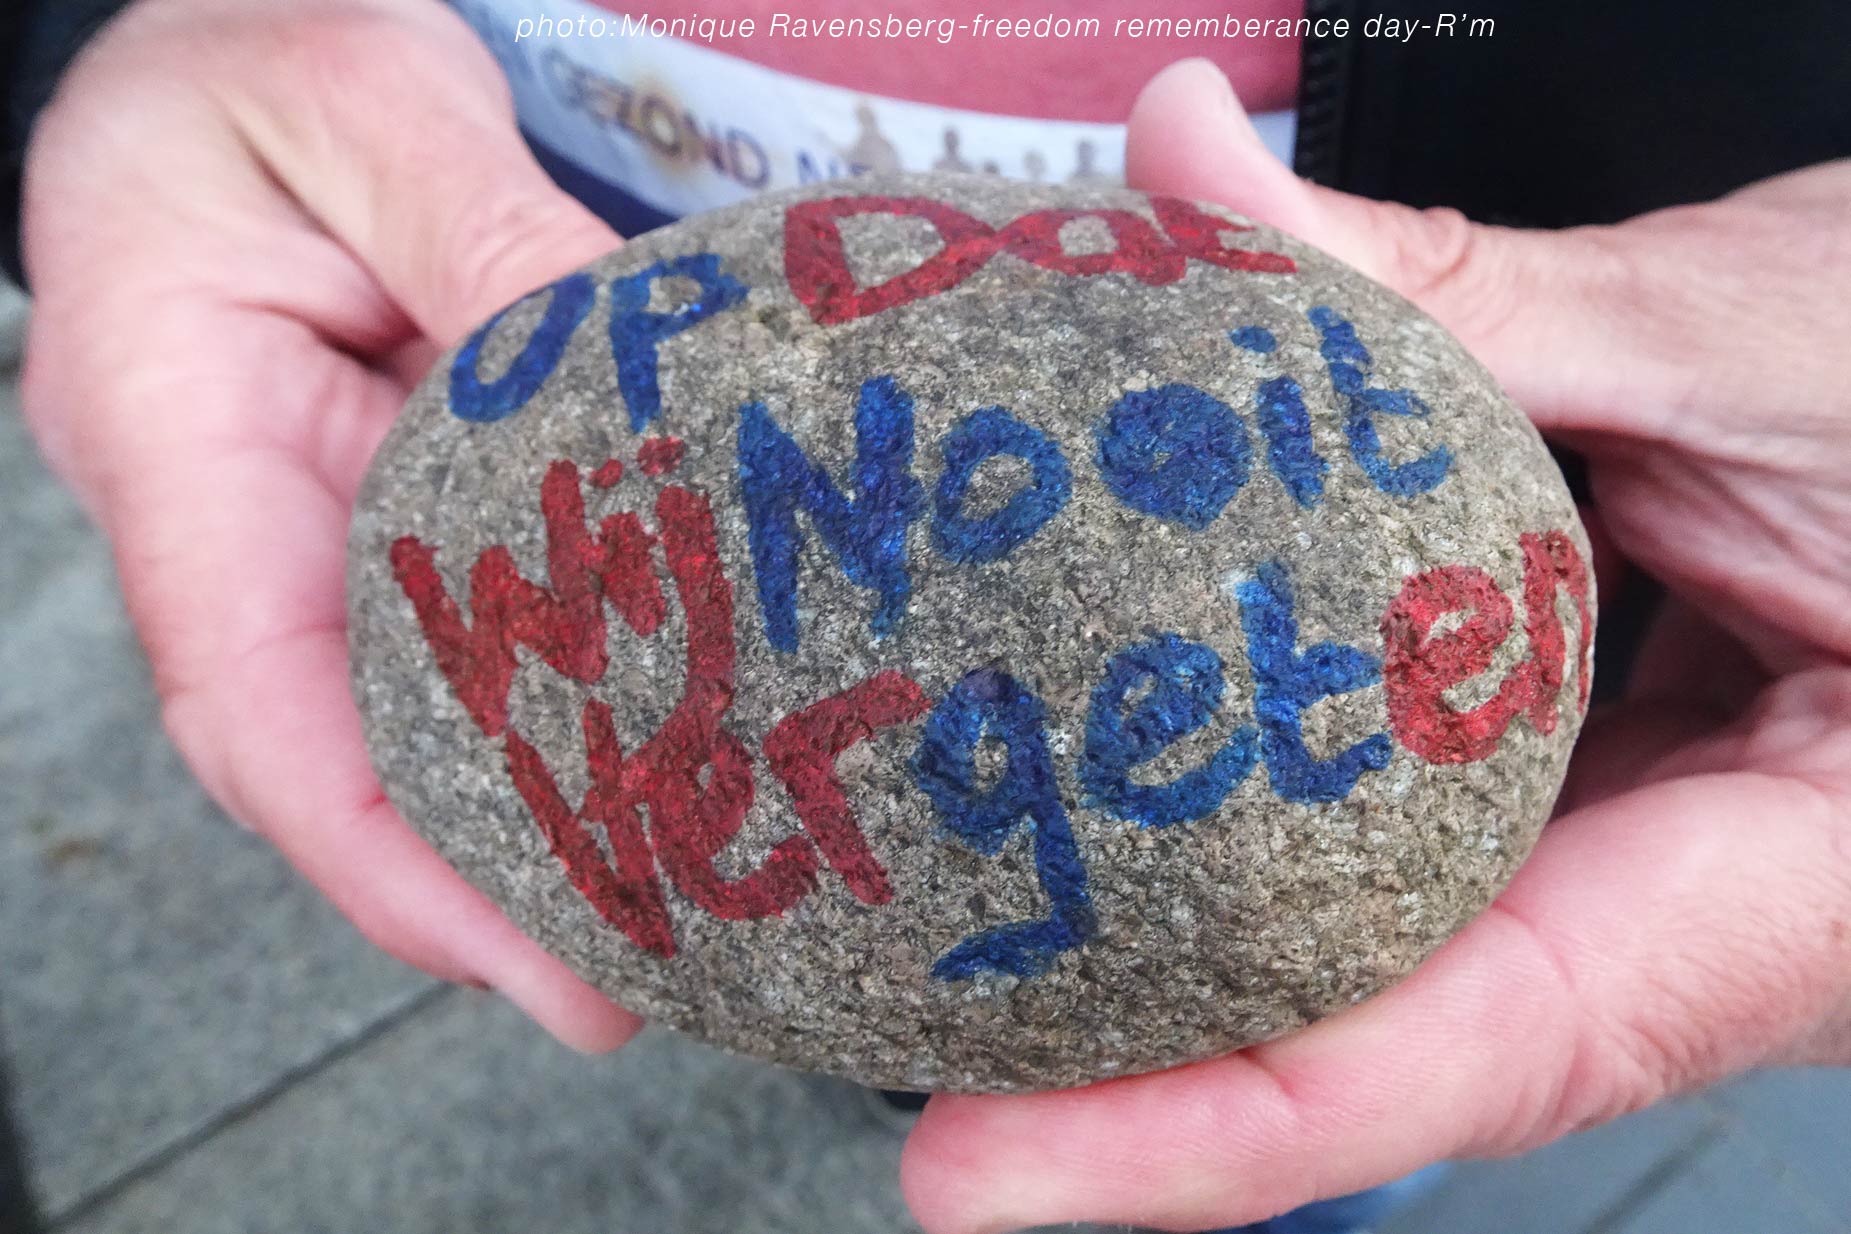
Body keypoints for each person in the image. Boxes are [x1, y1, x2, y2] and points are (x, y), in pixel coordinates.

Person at [6, 3, 1850, 1233]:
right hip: (489, 209)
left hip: (1562, 451)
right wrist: (105, 38)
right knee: (1063, 1058)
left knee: (1307, 1118)